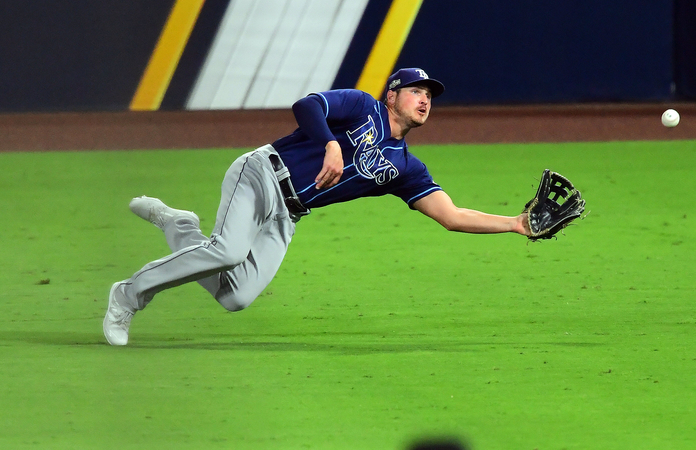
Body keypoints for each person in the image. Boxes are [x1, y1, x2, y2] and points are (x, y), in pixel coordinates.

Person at [103, 68, 531, 346]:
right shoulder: (363, 106)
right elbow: (307, 105)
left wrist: (515, 223)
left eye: (429, 96)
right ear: (392, 95)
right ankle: (128, 295)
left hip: (289, 214)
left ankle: (179, 226)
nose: (424, 100)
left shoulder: (406, 166)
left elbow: (452, 216)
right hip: (261, 174)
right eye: (416, 91)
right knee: (229, 251)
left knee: (235, 297)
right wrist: (330, 142)